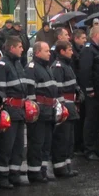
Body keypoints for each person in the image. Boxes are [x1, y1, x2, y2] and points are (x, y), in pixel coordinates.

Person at [0, 36, 28, 189]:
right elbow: (0, 91)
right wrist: (3, 112)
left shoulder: (18, 64)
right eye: (19, 46)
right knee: (5, 146)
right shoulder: (2, 65)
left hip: (19, 111)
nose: (22, 49)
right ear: (12, 48)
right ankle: (1, 176)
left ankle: (14, 174)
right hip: (9, 111)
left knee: (18, 146)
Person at [25, 41, 57, 183]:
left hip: (48, 111)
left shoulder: (47, 67)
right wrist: (35, 110)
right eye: (46, 51)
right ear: (37, 52)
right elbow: (30, 93)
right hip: (39, 112)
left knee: (46, 143)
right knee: (37, 143)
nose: (49, 53)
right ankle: (34, 172)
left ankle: (42, 170)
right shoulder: (32, 68)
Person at [51, 41, 80, 178]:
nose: (72, 52)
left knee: (69, 139)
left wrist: (78, 92)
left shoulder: (67, 65)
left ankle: (67, 165)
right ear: (62, 51)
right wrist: (62, 107)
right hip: (64, 107)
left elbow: (72, 83)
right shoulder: (58, 66)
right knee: (62, 138)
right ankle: (59, 167)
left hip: (71, 105)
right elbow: (57, 89)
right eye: (69, 50)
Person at [79, 25, 99, 161]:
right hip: (93, 92)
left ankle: (95, 147)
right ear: (95, 35)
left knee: (97, 121)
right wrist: (89, 89)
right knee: (91, 121)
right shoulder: (88, 50)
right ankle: (89, 149)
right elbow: (85, 70)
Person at [71, 28, 88, 154]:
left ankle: (81, 142)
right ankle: (76, 144)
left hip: (81, 87)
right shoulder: (73, 53)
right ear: (76, 39)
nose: (85, 40)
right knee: (78, 119)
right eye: (83, 38)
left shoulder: (82, 50)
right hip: (76, 88)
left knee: (82, 118)